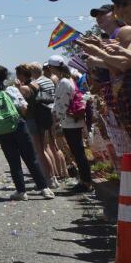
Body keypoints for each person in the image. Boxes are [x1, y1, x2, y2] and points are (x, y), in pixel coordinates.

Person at [0, 65, 54, 201]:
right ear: (5, 77)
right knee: (31, 158)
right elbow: (24, 107)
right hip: (19, 126)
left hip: (2, 131)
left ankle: (21, 192)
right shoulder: (11, 89)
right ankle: (44, 188)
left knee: (13, 161)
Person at [48, 55, 94, 192]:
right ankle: (85, 180)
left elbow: (61, 104)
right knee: (78, 151)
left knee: (78, 152)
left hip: (69, 121)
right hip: (75, 120)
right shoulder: (69, 79)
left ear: (52, 67)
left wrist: (56, 118)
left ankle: (86, 182)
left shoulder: (63, 82)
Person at [14, 63, 60, 189]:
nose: (17, 77)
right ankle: (53, 178)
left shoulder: (27, 87)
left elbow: (21, 103)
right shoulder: (37, 82)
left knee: (40, 151)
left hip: (33, 119)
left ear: (22, 75)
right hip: (41, 117)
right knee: (44, 148)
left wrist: (18, 87)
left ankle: (49, 178)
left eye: (18, 74)